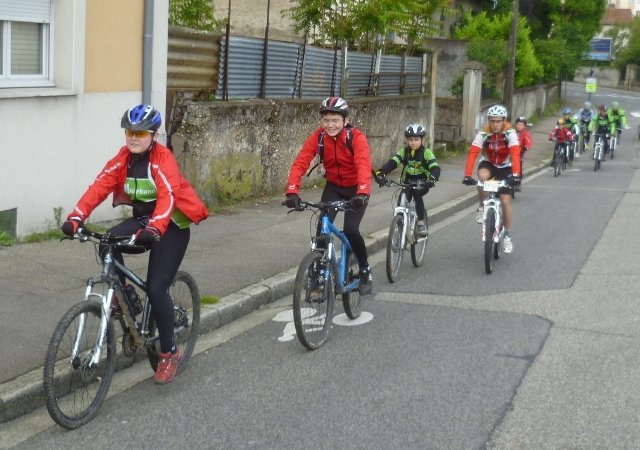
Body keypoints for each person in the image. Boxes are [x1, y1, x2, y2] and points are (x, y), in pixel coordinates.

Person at [60, 104, 209, 384]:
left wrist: (155, 227)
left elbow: (168, 197)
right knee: (106, 244)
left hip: (173, 225)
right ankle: (127, 298)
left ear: (153, 135)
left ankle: (169, 352)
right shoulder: (123, 159)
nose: (133, 137)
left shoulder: (163, 160)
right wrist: (76, 218)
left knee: (156, 287)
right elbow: (100, 186)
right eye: (130, 132)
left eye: (140, 132)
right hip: (145, 222)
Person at [284, 97, 374, 295]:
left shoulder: (356, 138)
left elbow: (363, 164)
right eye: (326, 120)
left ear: (345, 120)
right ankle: (317, 275)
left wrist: (362, 193)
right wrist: (292, 190)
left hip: (356, 189)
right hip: (334, 187)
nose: (330, 125)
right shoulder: (319, 137)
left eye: (335, 120)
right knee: (321, 230)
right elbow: (301, 161)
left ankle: (365, 270)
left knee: (350, 230)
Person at [462, 104, 520, 254]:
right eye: (492, 121)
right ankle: (482, 206)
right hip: (489, 163)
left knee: (505, 200)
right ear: (488, 121)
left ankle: (507, 235)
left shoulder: (511, 133)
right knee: (481, 177)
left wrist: (516, 175)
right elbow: (473, 153)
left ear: (504, 121)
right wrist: (467, 175)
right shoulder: (483, 133)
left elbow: (515, 154)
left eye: (498, 121)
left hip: (506, 166)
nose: (495, 124)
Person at [373, 123, 441, 237]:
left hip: (423, 183)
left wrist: (432, 178)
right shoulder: (404, 152)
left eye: (416, 139)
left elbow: (435, 167)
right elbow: (393, 162)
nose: (413, 142)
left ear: (422, 140)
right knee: (401, 202)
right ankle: (401, 229)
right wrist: (381, 172)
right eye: (410, 139)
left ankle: (420, 223)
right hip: (407, 182)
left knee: (417, 194)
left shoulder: (426, 153)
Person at [514, 116, 533, 192]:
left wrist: (526, 147)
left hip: (519, 154)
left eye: (521, 125)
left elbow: (528, 142)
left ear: (524, 126)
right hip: (509, 153)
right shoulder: (511, 132)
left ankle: (518, 182)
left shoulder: (525, 134)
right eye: (518, 124)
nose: (519, 126)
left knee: (519, 167)